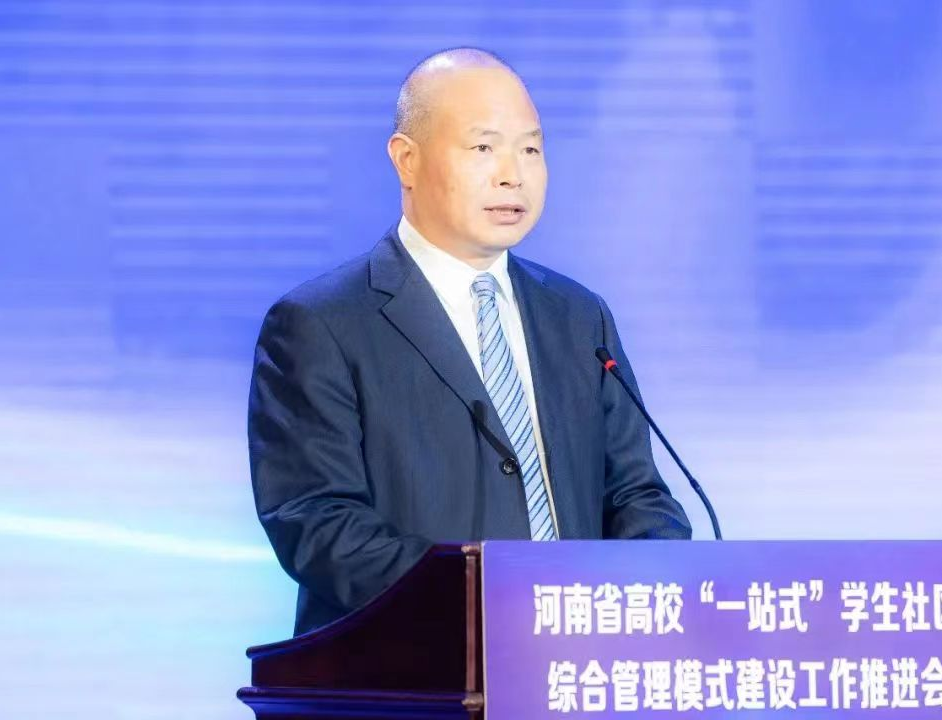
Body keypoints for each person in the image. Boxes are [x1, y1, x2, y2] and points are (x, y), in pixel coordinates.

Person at [248, 48, 692, 636]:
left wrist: (654, 580)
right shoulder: (320, 324)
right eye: (484, 148)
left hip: (571, 658)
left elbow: (637, 495)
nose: (512, 174)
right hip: (409, 661)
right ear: (407, 160)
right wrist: (496, 602)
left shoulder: (578, 315)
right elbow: (320, 525)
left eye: (530, 150)